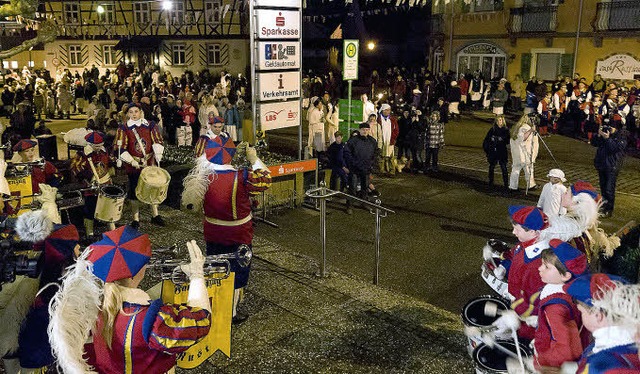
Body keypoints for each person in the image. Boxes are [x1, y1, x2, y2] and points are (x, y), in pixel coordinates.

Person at [48, 227, 212, 373]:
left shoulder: (90, 304)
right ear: (135, 273)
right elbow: (201, 323)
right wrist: (197, 277)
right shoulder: (149, 320)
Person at [182, 137, 271, 324]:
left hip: (213, 232)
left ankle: (213, 303)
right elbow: (265, 180)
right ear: (230, 156)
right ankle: (231, 312)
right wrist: (254, 159)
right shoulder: (242, 176)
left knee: (215, 268)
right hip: (238, 234)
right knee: (236, 273)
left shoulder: (203, 176)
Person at [491, 205, 549, 340]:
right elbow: (512, 255)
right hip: (517, 303)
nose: (513, 232)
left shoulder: (538, 266)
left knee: (523, 344)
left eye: (517, 229)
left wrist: (517, 315)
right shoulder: (524, 244)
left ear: (534, 232)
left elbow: (535, 301)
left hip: (529, 322)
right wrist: (504, 266)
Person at [530, 240, 589, 371]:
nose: (539, 268)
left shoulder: (556, 307)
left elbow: (566, 350)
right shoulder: (572, 292)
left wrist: (540, 361)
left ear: (565, 275)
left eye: (546, 267)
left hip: (555, 367)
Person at [564, 273, 640, 373]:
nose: (581, 316)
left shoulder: (601, 365)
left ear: (597, 315)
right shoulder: (631, 347)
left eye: (582, 312)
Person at [115, 103, 165, 228]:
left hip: (149, 163)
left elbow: (157, 140)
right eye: (131, 112)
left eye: (136, 111)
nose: (134, 114)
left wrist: (158, 153)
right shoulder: (124, 128)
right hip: (134, 165)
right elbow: (119, 148)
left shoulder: (150, 125)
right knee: (134, 191)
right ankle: (136, 219)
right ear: (127, 114)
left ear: (140, 112)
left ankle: (155, 215)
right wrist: (131, 161)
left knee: (153, 188)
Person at [70, 131, 115, 239]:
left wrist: (114, 163)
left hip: (105, 184)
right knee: (89, 210)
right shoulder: (82, 154)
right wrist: (89, 176)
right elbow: (75, 167)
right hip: (90, 187)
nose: (99, 148)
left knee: (108, 207)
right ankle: (89, 233)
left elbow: (108, 162)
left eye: (100, 145)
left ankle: (113, 232)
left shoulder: (104, 152)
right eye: (96, 146)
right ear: (89, 144)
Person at [592, 123, 626, 217]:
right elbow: (594, 143)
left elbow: (614, 148)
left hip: (612, 166)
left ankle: (609, 209)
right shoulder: (605, 135)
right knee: (603, 188)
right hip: (602, 164)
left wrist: (607, 138)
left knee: (609, 189)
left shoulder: (621, 136)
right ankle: (604, 206)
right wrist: (599, 135)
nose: (609, 129)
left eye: (611, 127)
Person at [344, 123, 377, 215]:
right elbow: (347, 153)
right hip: (354, 169)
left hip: (366, 168)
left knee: (365, 187)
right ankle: (350, 205)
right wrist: (352, 164)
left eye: (367, 129)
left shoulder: (372, 141)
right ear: (359, 130)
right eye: (363, 129)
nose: (365, 131)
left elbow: (375, 154)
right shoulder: (353, 141)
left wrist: (372, 164)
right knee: (352, 188)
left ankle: (364, 202)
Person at [509, 114, 539, 191]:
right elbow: (522, 137)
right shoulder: (524, 127)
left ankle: (513, 186)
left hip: (519, 153)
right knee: (528, 170)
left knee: (516, 170)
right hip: (524, 153)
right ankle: (530, 185)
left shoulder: (518, 127)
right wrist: (531, 130)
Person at [483, 115, 509, 189]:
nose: (499, 122)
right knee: (491, 167)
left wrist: (501, 139)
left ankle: (506, 184)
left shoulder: (505, 130)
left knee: (504, 168)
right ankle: (491, 182)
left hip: (502, 151)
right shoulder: (493, 129)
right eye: (497, 120)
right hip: (493, 151)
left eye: (500, 120)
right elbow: (487, 139)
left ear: (503, 121)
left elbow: (507, 140)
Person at [377, 103, 399, 175]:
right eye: (386, 110)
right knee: (381, 156)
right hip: (382, 140)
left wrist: (394, 137)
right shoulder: (379, 119)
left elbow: (396, 130)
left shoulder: (392, 120)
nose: (387, 112)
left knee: (391, 156)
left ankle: (392, 170)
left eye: (389, 110)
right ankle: (382, 170)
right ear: (382, 111)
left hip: (390, 140)